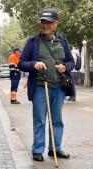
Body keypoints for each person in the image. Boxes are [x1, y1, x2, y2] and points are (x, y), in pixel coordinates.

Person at [18, 8, 74, 161]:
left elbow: (71, 61)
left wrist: (65, 67)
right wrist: (34, 64)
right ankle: (37, 149)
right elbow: (21, 63)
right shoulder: (33, 41)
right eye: (43, 22)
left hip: (59, 87)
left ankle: (55, 149)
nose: (45, 25)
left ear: (55, 24)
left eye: (48, 22)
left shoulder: (62, 40)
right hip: (40, 86)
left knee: (56, 120)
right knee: (40, 120)